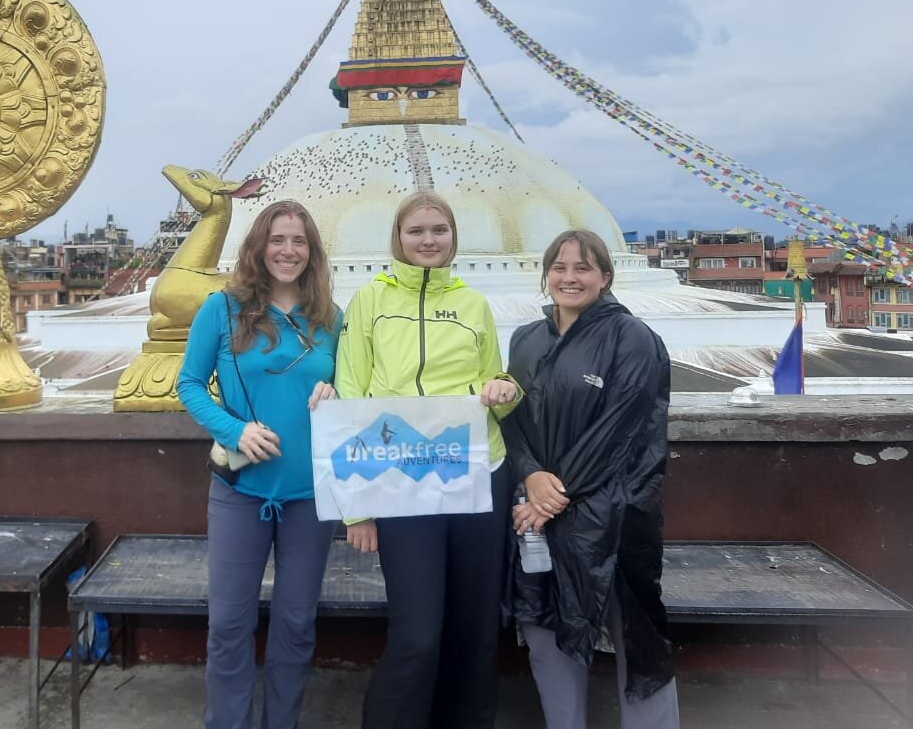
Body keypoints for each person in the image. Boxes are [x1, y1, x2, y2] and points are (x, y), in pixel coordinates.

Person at [335, 191, 520, 729]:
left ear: (453, 237)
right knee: (417, 632)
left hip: (476, 473)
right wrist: (356, 507)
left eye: (439, 230)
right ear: (398, 237)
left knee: (476, 623)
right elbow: (350, 396)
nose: (428, 240)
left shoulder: (472, 304)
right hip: (402, 482)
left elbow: (497, 380)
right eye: (417, 231)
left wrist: (506, 390)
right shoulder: (370, 300)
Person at [501, 229, 679, 729]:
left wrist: (548, 497)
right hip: (539, 510)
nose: (570, 278)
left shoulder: (632, 338)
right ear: (546, 275)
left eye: (583, 268)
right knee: (543, 625)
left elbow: (619, 430)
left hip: (614, 512)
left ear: (605, 276)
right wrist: (531, 475)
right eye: (559, 267)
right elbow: (512, 422)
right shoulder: (526, 340)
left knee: (635, 634)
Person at [177, 199, 342, 729]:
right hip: (240, 492)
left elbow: (358, 388)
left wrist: (339, 391)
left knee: (296, 624)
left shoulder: (331, 320)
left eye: (298, 242)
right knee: (229, 622)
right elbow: (189, 385)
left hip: (310, 496)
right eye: (277, 240)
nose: (288, 251)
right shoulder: (221, 309)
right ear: (258, 247)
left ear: (312, 252)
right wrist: (235, 430)